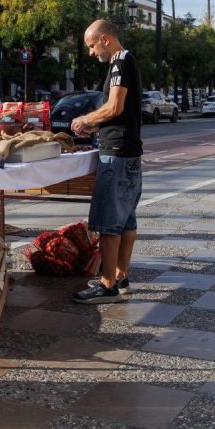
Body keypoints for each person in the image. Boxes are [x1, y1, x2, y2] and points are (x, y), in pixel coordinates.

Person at [70, 19, 143, 304]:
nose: (91, 53)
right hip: (129, 152)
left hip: (116, 155)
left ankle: (107, 284)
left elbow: (114, 107)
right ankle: (121, 276)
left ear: (105, 39)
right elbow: (119, 114)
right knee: (126, 221)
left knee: (109, 223)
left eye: (91, 46)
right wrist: (96, 127)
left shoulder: (120, 62)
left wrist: (85, 120)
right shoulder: (125, 61)